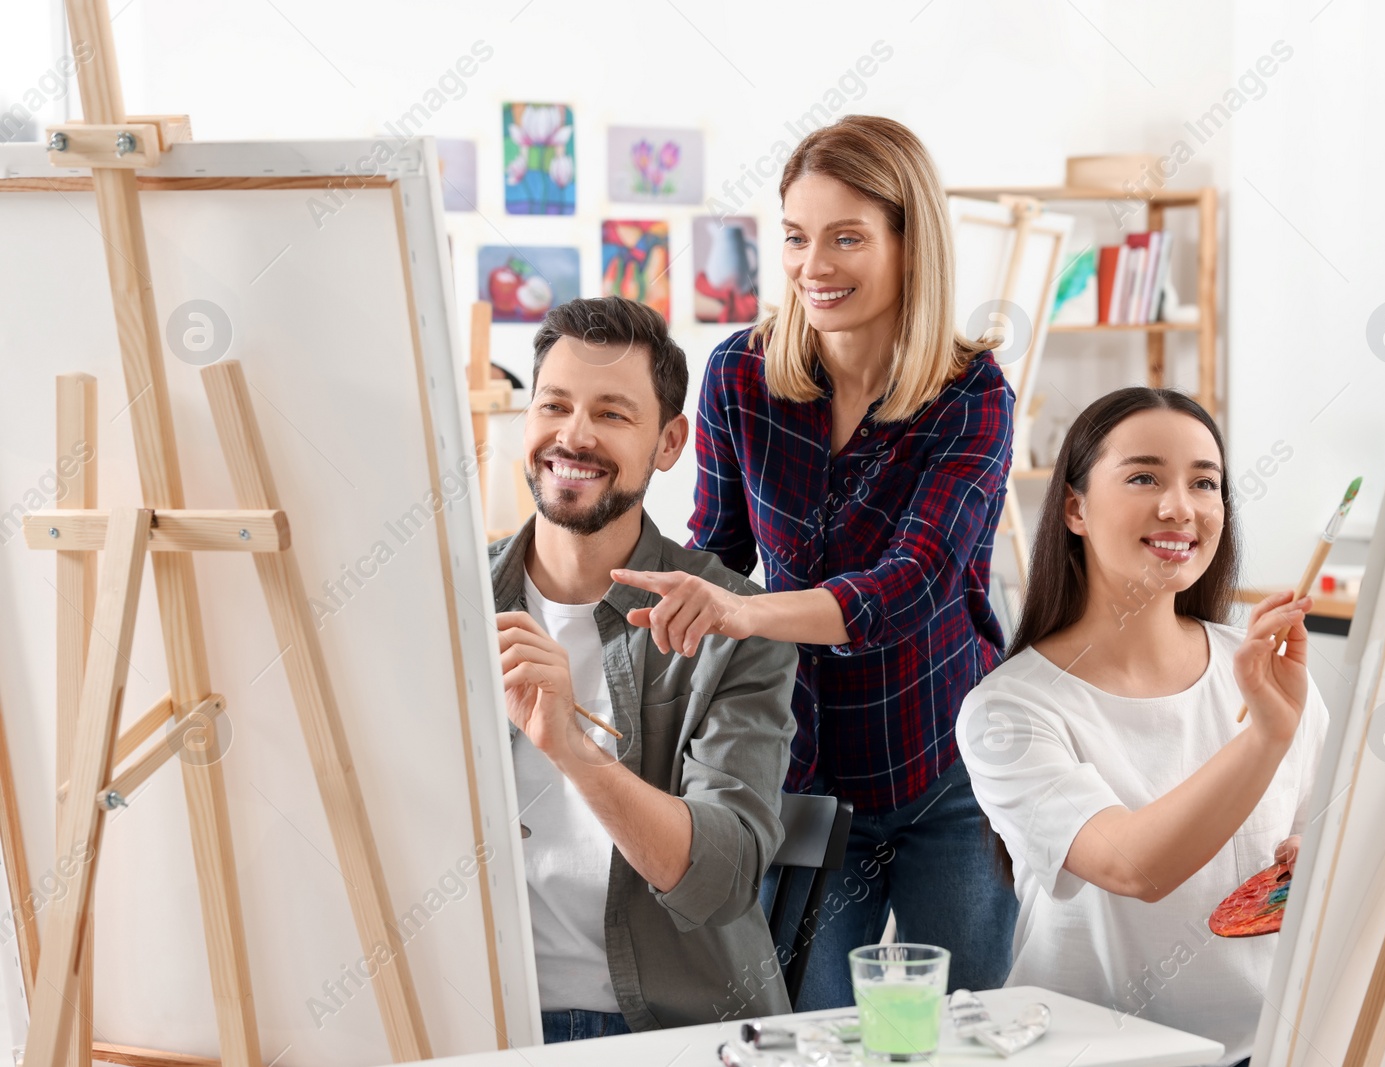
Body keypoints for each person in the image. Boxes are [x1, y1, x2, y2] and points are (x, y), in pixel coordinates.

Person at [611, 115, 1018, 1009]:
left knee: (953, 1032)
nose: (814, 266)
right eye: (796, 237)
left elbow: (914, 584)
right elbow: (719, 552)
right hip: (803, 779)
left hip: (945, 770)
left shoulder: (971, 396)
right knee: (804, 1030)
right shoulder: (740, 376)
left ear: (910, 243)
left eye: (847, 238)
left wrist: (745, 613)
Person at [955, 386, 1329, 1067]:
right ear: (1074, 508)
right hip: (1087, 1054)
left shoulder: (1267, 675)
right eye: (1143, 476)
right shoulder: (1006, 711)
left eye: (1204, 483)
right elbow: (1132, 865)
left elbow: (1325, 842)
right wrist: (1265, 735)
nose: (1180, 506)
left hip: (1268, 1048)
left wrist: (1314, 857)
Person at [490, 296, 798, 1041]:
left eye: (611, 414)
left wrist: (570, 745)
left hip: (671, 1033)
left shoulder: (734, 622)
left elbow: (721, 881)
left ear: (668, 443)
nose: (573, 435)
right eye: (554, 404)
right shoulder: (446, 606)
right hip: (486, 1024)